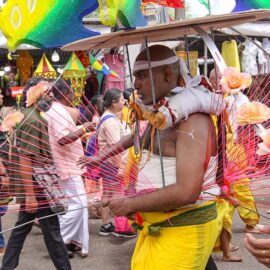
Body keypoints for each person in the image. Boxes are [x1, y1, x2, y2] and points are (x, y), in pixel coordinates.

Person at [79, 45, 221, 269]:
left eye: (142, 75)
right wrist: (101, 157)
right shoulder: (162, 114)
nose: (135, 84)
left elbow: (188, 191)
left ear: (166, 75)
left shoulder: (193, 121)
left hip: (182, 230)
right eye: (135, 76)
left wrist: (129, 203)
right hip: (160, 227)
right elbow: (137, 137)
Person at [0, 77, 72, 270]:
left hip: (32, 184)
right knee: (53, 234)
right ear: (35, 95)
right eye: (49, 93)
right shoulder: (32, 120)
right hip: (38, 186)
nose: (52, 98)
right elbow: (25, 159)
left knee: (22, 228)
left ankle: (6, 266)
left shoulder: (25, 115)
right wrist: (31, 195)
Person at [46, 78, 95, 258]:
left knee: (78, 206)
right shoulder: (57, 111)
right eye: (72, 92)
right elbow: (63, 139)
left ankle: (72, 242)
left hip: (71, 164)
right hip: (66, 166)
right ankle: (59, 240)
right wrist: (83, 129)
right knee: (80, 205)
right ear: (66, 94)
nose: (75, 95)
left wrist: (82, 128)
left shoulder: (58, 110)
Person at [96, 88, 136, 238]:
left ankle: (106, 225)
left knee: (107, 194)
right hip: (113, 163)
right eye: (121, 100)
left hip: (107, 163)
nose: (124, 102)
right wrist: (122, 168)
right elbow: (116, 147)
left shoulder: (109, 117)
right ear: (113, 103)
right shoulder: (110, 121)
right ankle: (122, 227)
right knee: (118, 195)